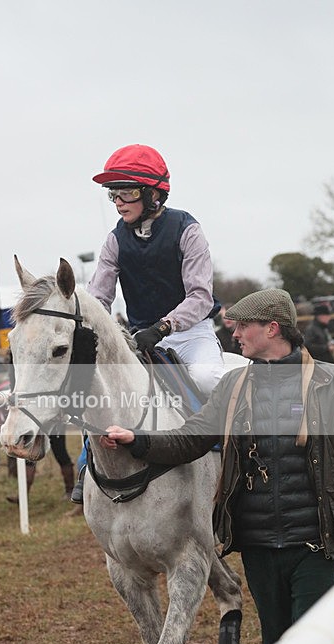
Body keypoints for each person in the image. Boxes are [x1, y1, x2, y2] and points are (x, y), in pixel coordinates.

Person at [102, 288, 334, 644]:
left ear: (272, 329)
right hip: (257, 544)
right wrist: (138, 442)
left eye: (241, 327)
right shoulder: (235, 385)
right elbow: (192, 439)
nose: (232, 334)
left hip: (314, 544)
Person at [72, 143, 224, 503]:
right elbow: (99, 297)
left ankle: (235, 458)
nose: (120, 201)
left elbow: (200, 296)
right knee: (99, 386)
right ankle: (85, 465)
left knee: (207, 378)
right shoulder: (114, 240)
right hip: (140, 338)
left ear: (155, 194)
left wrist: (165, 327)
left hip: (190, 333)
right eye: (114, 194)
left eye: (128, 191)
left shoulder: (187, 229)